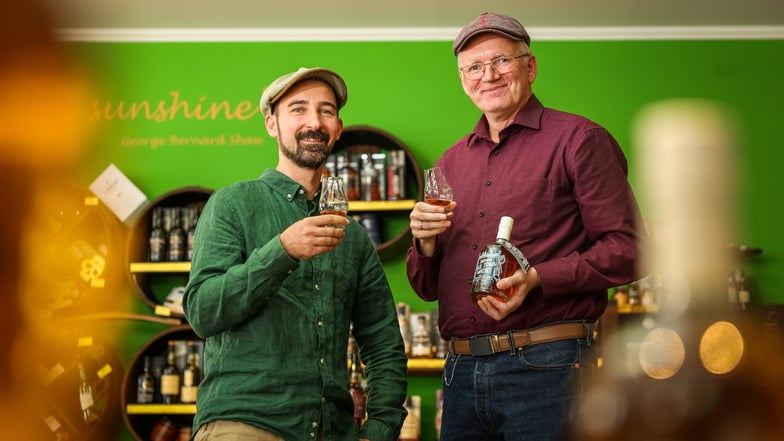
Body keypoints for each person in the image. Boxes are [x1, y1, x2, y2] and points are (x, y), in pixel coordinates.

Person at [406, 12, 646, 441]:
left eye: (501, 60)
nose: (488, 75)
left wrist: (536, 279)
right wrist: (424, 242)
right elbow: (427, 288)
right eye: (474, 67)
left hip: (549, 364)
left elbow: (629, 248)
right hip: (460, 369)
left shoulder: (579, 139)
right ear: (463, 79)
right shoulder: (449, 163)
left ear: (529, 67)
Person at [183, 67, 408, 441]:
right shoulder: (232, 204)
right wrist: (282, 251)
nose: (314, 122)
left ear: (337, 128)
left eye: (327, 111)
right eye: (298, 109)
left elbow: (384, 345)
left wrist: (380, 428)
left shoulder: (352, 237)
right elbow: (203, 313)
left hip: (333, 431)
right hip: (245, 425)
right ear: (272, 124)